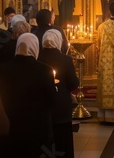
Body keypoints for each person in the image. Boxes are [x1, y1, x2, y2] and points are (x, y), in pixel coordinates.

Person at [0, 33, 57, 157]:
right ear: (35, 47)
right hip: (38, 129)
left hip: (12, 127)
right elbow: (52, 100)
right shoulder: (45, 70)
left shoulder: (2, 70)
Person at [38, 29, 79, 157]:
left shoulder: (37, 57)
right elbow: (73, 84)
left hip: (42, 106)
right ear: (58, 41)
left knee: (45, 140)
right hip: (61, 107)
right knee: (62, 140)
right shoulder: (65, 59)